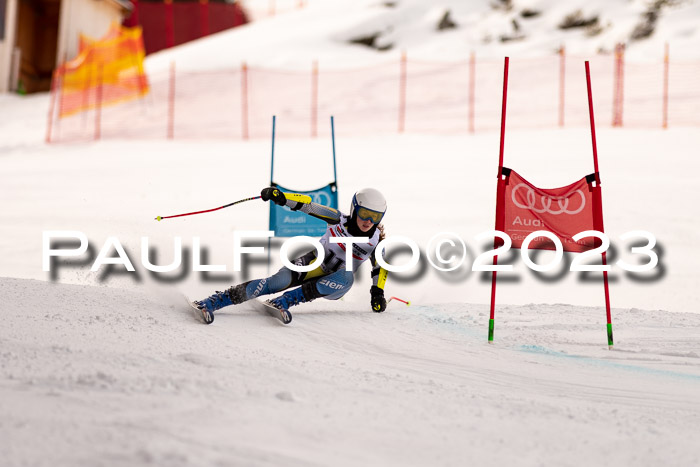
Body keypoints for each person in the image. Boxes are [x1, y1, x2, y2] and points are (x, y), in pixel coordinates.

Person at [192, 186, 389, 324]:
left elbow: (380, 267)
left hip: (335, 283)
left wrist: (377, 292)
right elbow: (309, 206)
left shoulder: (376, 240)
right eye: (364, 213)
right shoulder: (337, 218)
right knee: (275, 282)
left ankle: (286, 300)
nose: (368, 221)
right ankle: (214, 301)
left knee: (347, 275)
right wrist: (282, 197)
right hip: (314, 262)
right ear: (355, 208)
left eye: (375, 217)